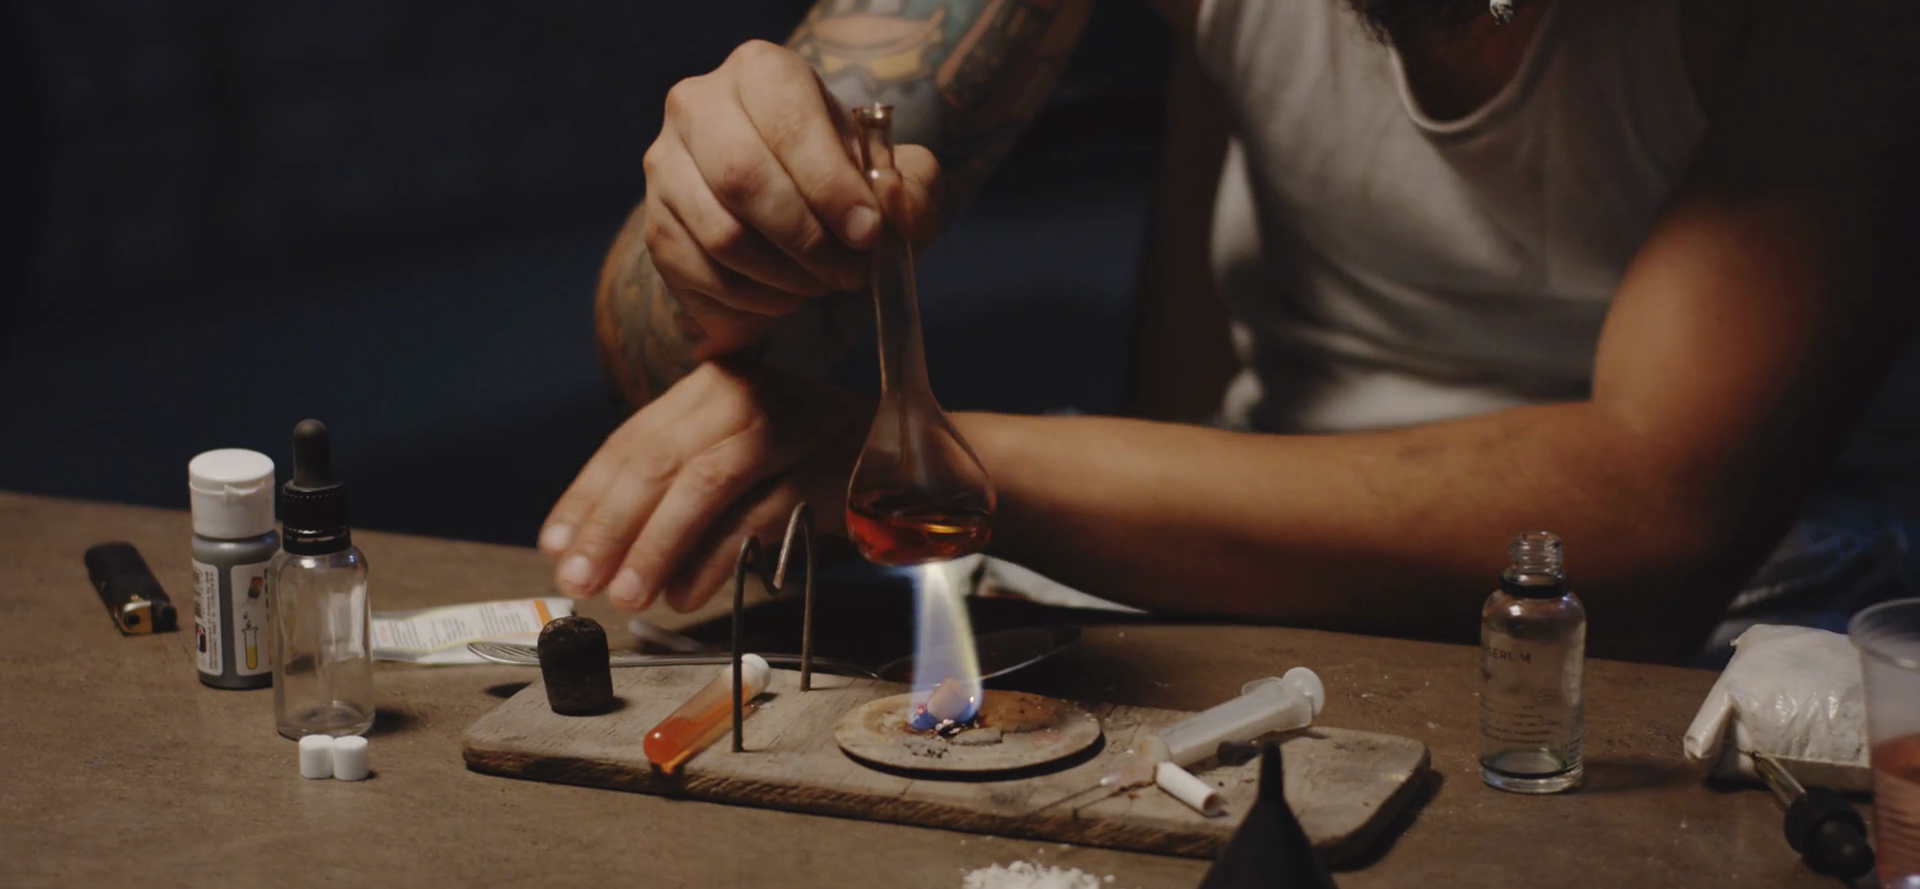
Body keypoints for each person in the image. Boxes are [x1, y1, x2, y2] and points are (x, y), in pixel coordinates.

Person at [538, 0, 1919, 661]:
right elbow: (659, 359)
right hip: (1245, 572)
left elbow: (1654, 521)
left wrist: (934, 461)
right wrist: (722, 237)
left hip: (1748, 633)